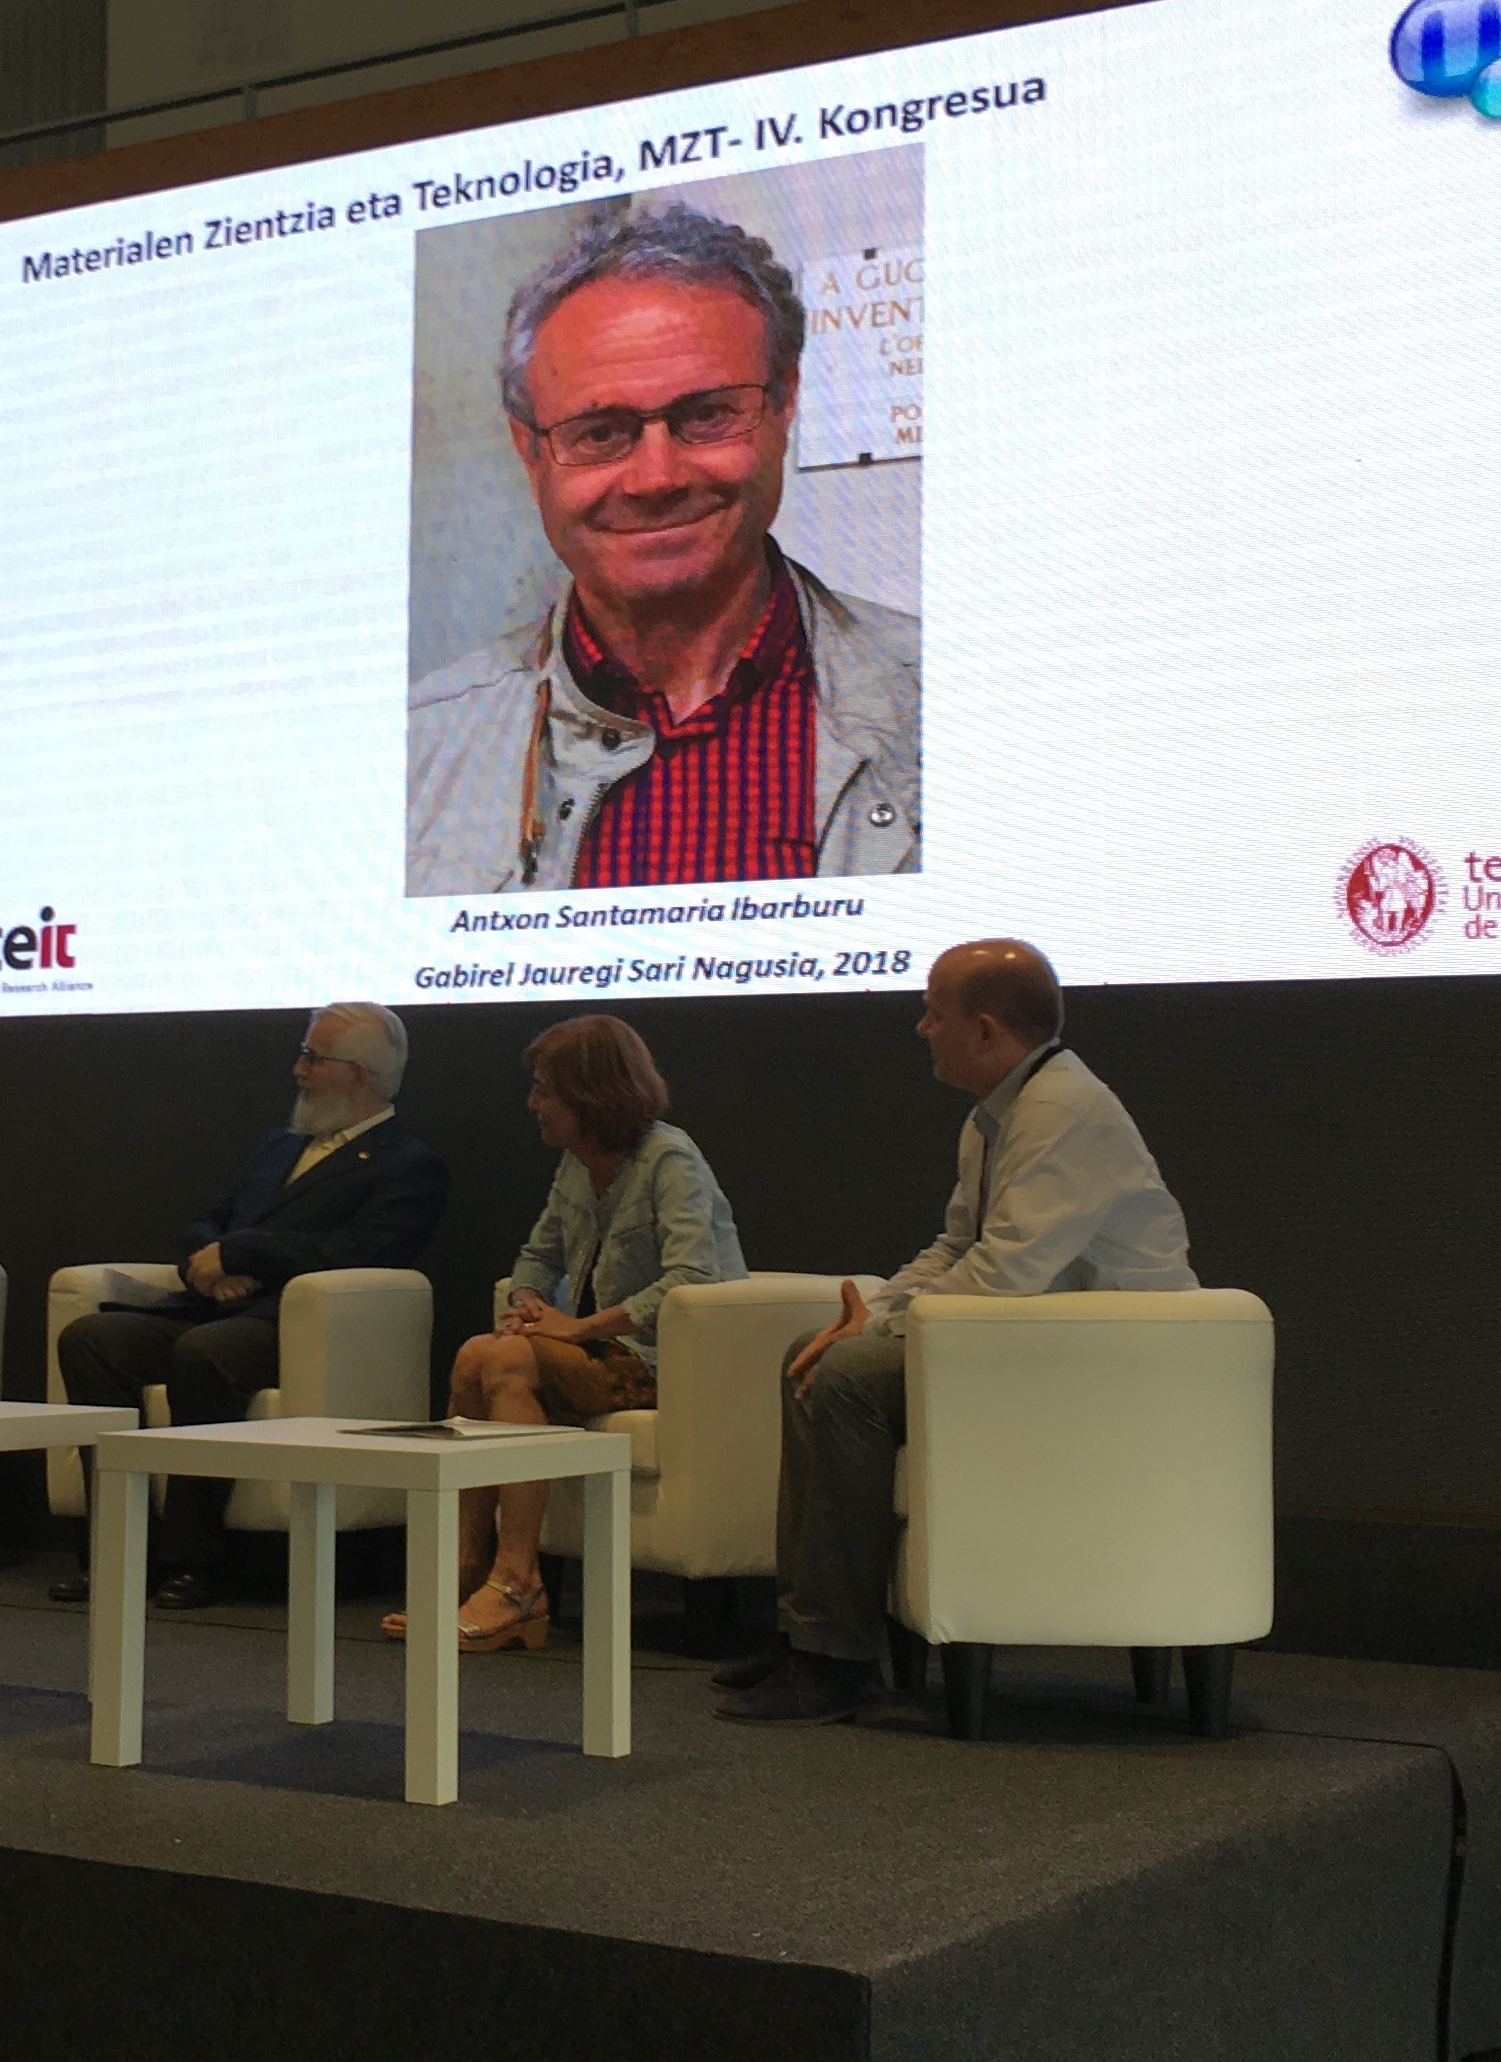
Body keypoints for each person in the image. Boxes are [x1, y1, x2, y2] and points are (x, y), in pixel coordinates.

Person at [718, 939, 1195, 1725]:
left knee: (848, 1376)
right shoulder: (998, 1115)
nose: (921, 1029)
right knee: (811, 1356)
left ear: (983, 1030)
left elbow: (1005, 1273)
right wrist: (874, 1311)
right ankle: (808, 1633)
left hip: (1108, 1369)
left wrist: (879, 1327)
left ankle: (837, 1662)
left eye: (932, 1013)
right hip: (1032, 1348)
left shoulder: (1060, 1111)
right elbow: (956, 1248)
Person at [409, 200, 923, 896]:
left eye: (707, 415)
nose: (657, 479)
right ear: (528, 451)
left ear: (785, 405)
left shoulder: (964, 707)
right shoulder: (415, 747)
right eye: (600, 432)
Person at [50, 1003, 448, 1608]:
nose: (298, 1070)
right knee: (92, 1340)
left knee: (205, 1353)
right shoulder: (277, 1146)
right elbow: (208, 1220)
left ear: (357, 1074)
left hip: (294, 1327)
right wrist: (207, 1265)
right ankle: (118, 1550)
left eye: (313, 1058)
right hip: (213, 1308)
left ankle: (194, 1561)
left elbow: (361, 1251)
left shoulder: (409, 1164)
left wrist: (241, 1253)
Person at [384, 1014, 746, 1652]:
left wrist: (579, 1328)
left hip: (665, 1362)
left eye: (544, 1091)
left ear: (591, 1095)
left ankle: (515, 1582)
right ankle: (472, 1572)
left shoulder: (670, 1159)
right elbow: (536, 1258)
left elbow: (692, 1278)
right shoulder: (576, 1166)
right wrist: (527, 1303)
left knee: (501, 1361)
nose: (533, 1104)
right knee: (478, 1355)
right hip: (596, 1355)